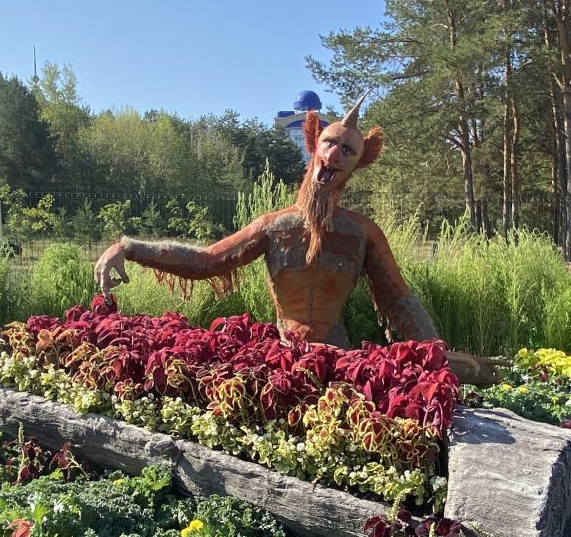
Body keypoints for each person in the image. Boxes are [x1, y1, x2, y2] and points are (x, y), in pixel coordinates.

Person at [95, 94, 440, 350]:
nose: (334, 154)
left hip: (339, 360)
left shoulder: (363, 233)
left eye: (347, 150)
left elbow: (398, 302)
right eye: (329, 143)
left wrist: (435, 354)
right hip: (283, 358)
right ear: (313, 144)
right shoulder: (273, 226)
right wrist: (129, 247)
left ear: (358, 164)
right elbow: (207, 261)